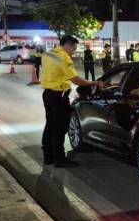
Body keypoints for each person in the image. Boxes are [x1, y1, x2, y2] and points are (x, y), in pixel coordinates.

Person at [40, 35, 102, 168]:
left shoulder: (48, 54)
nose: (73, 52)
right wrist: (94, 83)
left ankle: (48, 156)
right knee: (60, 127)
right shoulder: (63, 57)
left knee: (50, 125)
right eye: (73, 48)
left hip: (48, 94)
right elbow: (75, 80)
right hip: (59, 96)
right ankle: (59, 159)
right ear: (68, 44)